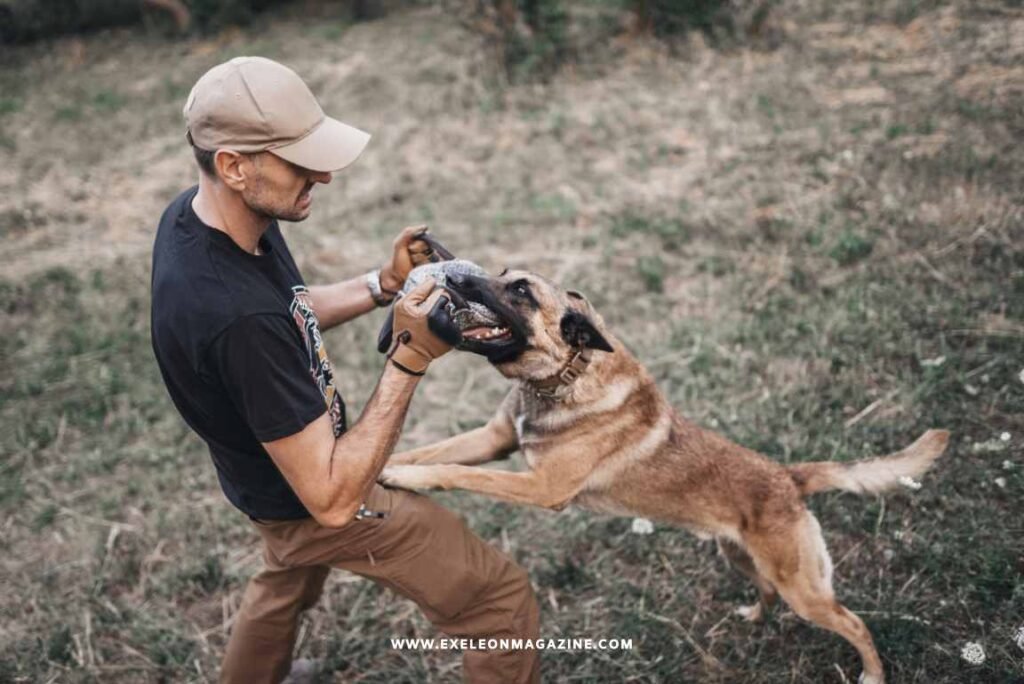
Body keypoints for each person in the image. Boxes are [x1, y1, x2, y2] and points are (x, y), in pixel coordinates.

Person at [150, 56, 540, 684]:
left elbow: (287, 312)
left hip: (266, 487)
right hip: (312, 496)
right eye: (300, 162)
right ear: (234, 164)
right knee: (499, 603)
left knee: (284, 583)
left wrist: (380, 286)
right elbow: (331, 501)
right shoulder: (233, 317)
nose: (324, 175)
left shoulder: (206, 218)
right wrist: (410, 357)